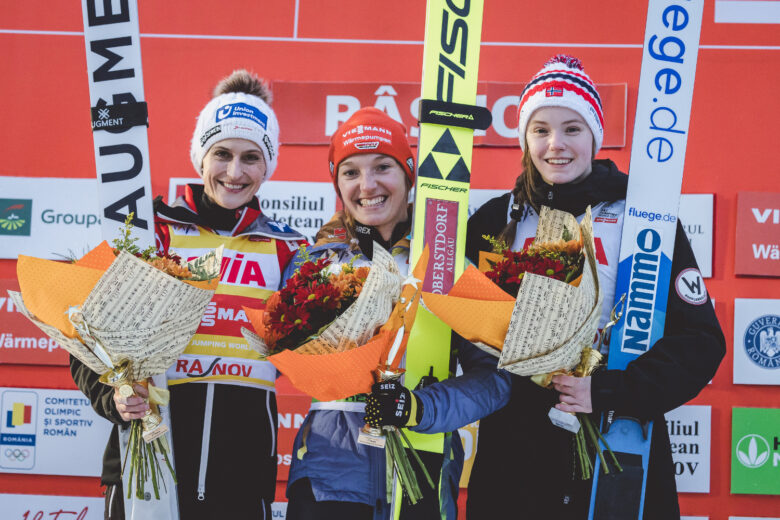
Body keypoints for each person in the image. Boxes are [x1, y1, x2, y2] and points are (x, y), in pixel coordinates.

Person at [369, 55, 725, 519]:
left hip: (617, 453)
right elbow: (452, 328)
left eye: (572, 129)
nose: (556, 144)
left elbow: (700, 342)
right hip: (516, 463)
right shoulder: (495, 223)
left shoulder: (644, 221)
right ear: (524, 139)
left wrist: (610, 391)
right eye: (540, 129)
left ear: (595, 136)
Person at [70, 70, 307, 519]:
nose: (235, 173)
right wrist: (114, 396)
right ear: (201, 156)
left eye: (251, 157)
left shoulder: (289, 249)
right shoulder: (151, 234)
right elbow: (84, 336)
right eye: (222, 154)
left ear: (267, 166)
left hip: (240, 480)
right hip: (145, 466)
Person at [283, 107, 507, 520]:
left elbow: (494, 379)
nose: (367, 185)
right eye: (350, 172)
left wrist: (418, 408)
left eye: (382, 166)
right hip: (328, 473)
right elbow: (278, 358)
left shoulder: (445, 264)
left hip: (422, 468)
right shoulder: (312, 266)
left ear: (408, 175)